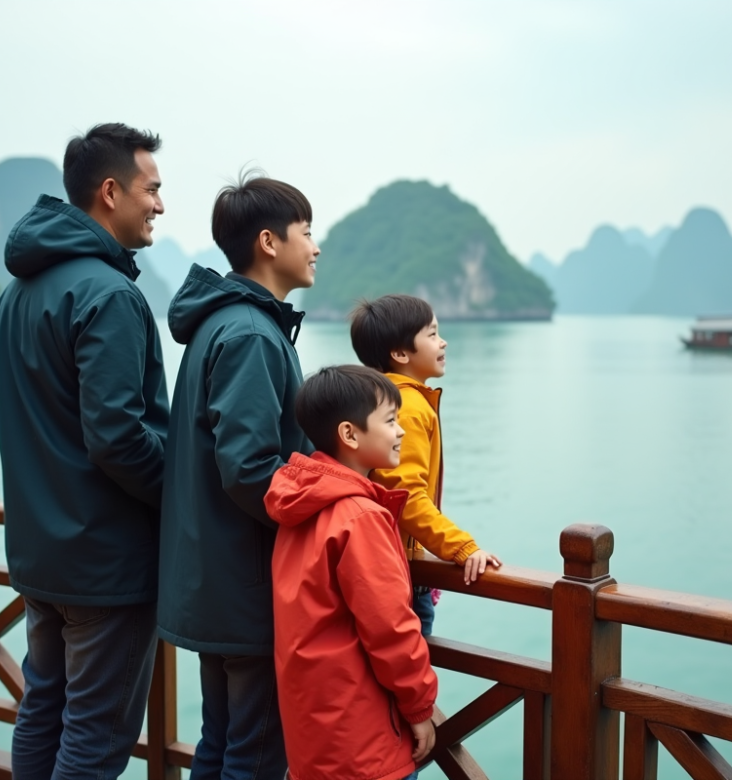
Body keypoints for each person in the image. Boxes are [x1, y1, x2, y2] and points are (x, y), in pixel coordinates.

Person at [0, 123, 169, 780]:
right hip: (105, 562)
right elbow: (117, 436)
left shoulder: (17, 293)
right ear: (110, 192)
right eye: (151, 190)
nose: (159, 205)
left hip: (40, 552)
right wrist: (180, 493)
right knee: (95, 735)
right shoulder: (109, 294)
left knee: (44, 707)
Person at [157, 173, 319, 779]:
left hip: (216, 578)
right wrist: (329, 505)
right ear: (269, 242)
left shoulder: (224, 323)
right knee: (254, 754)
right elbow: (249, 468)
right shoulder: (251, 333)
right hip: (249, 584)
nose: (316, 247)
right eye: (307, 231)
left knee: (222, 742)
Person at [266, 365, 438, 780]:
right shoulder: (359, 517)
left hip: (316, 730)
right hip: (363, 738)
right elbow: (391, 627)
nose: (401, 431)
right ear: (350, 434)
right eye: (391, 421)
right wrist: (419, 707)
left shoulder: (301, 501)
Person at [350, 294, 501, 636]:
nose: (443, 342)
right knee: (411, 665)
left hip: (383, 564)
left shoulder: (379, 398)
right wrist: (462, 547)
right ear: (400, 353)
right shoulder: (408, 408)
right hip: (400, 574)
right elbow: (406, 497)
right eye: (432, 334)